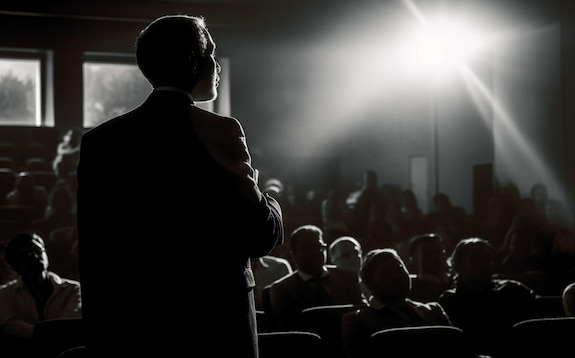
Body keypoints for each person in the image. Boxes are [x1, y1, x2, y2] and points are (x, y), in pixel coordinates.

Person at [76, 15, 284, 358]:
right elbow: (259, 236)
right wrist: (270, 202)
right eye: (212, 54)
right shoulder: (220, 131)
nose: (217, 65)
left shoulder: (100, 141)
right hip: (215, 327)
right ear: (192, 60)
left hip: (133, 331)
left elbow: (95, 254)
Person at [341, 248, 452, 358]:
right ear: (370, 285)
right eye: (386, 274)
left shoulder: (434, 310)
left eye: (400, 268)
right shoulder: (356, 321)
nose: (396, 276)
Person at [438, 237, 536, 357]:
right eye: (476, 259)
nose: (484, 263)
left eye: (487, 258)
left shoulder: (513, 291)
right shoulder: (450, 301)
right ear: (459, 265)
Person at [267, 225, 365, 330]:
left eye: (319, 246)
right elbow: (289, 330)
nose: (314, 252)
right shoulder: (282, 289)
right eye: (307, 248)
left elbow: (361, 316)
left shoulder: (348, 278)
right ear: (293, 255)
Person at [0, 232, 81, 358]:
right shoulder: (5, 293)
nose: (35, 257)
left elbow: (71, 323)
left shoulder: (73, 288)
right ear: (15, 265)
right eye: (26, 255)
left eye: (38, 250)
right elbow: (9, 325)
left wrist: (42, 335)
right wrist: (45, 335)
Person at [405, 233, 453, 302]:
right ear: (413, 259)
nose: (436, 258)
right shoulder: (408, 287)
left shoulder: (455, 282)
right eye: (428, 254)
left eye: (440, 252)